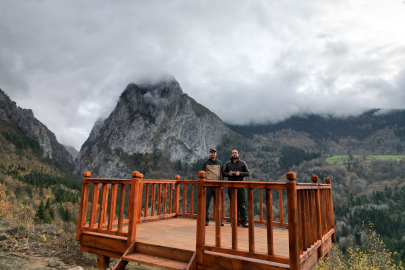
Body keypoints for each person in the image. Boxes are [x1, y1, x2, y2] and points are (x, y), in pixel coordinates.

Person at [223, 149, 249, 228]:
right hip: (231, 186)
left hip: (240, 186)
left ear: (238, 154)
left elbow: (247, 173)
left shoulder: (242, 163)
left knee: (242, 204)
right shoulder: (228, 164)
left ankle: (244, 221)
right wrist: (229, 174)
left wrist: (239, 174)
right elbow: (224, 173)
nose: (234, 154)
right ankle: (236, 221)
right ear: (231, 155)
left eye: (236, 153)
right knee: (234, 204)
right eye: (233, 153)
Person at [202, 148, 224, 226]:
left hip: (217, 186)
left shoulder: (220, 162)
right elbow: (202, 173)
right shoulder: (206, 163)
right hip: (208, 186)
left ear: (216, 154)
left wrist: (221, 184)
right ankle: (206, 220)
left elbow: (222, 174)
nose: (213, 154)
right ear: (209, 153)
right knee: (206, 204)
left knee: (218, 204)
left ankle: (219, 220)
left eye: (214, 152)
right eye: (211, 152)